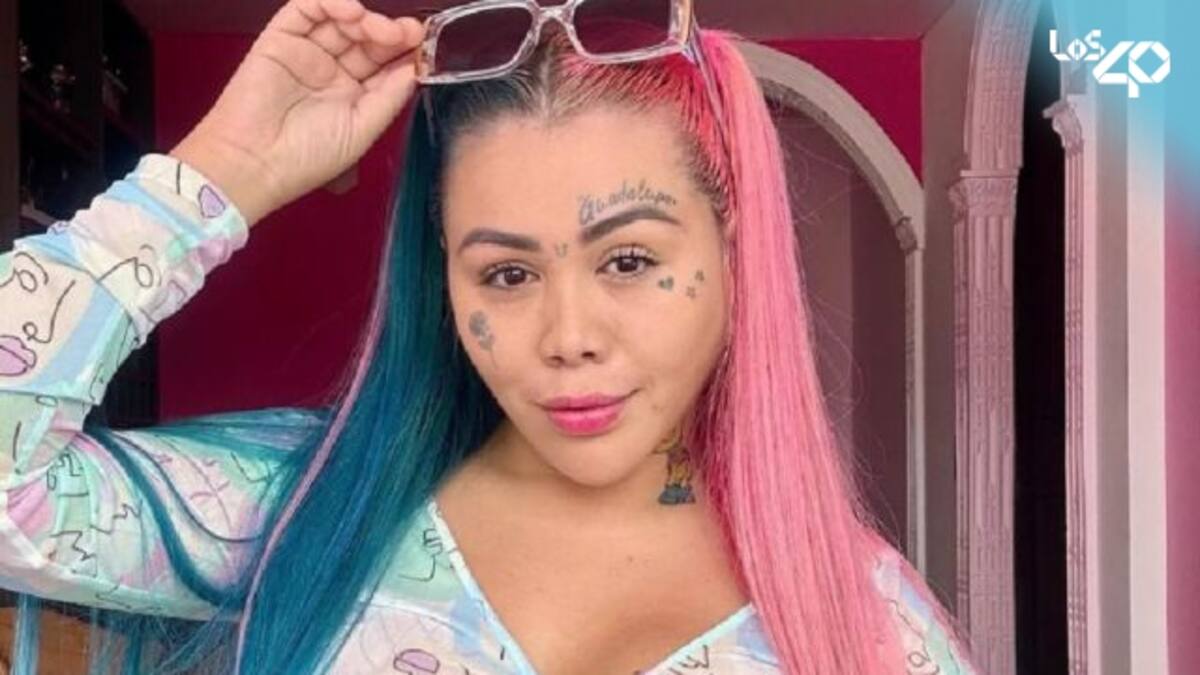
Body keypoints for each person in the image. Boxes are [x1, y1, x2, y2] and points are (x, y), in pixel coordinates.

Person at [0, 0, 979, 673]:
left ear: (734, 256)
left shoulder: (867, 620)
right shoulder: (311, 505)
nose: (568, 336)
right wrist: (223, 172)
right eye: (507, 274)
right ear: (446, 282)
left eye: (628, 259)